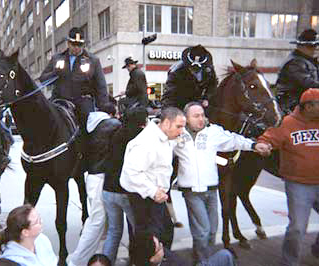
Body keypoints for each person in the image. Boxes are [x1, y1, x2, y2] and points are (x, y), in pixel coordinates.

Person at [172, 102, 270, 263]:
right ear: (186, 119)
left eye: (202, 115)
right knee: (202, 231)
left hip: (211, 191)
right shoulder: (177, 135)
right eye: (196, 116)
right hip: (191, 192)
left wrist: (253, 145)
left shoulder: (213, 132)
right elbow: (161, 149)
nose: (201, 118)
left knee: (211, 231)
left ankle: (207, 259)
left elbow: (233, 140)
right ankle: (203, 261)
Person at [257, 88, 319, 266]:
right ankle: (289, 262)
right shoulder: (288, 123)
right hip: (299, 185)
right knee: (297, 228)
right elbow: (269, 137)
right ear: (308, 106)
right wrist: (263, 144)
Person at [120, 107, 186, 250]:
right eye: (179, 127)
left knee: (166, 233)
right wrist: (153, 192)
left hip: (157, 197)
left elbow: (178, 140)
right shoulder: (147, 141)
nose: (181, 131)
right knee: (152, 242)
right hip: (144, 199)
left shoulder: (166, 135)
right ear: (167, 123)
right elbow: (131, 173)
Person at [69, 108, 121, 266]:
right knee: (96, 222)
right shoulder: (113, 125)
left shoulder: (86, 126)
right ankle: (77, 260)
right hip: (103, 177)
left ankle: (88, 259)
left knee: (98, 221)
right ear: (111, 112)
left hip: (91, 176)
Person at [102, 106, 148, 264]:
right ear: (142, 121)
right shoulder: (140, 136)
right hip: (126, 191)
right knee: (139, 231)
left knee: (114, 232)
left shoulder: (117, 133)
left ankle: (105, 262)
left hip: (108, 190)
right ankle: (138, 260)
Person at [39, 27, 109, 130]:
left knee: (89, 124)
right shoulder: (57, 58)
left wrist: (104, 107)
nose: (77, 48)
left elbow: (101, 85)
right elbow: (43, 79)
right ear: (68, 43)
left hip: (83, 100)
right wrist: (55, 73)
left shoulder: (93, 60)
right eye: (74, 44)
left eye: (79, 45)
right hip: (61, 100)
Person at [161, 45, 218, 110]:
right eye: (192, 68)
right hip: (179, 104)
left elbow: (213, 84)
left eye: (197, 69)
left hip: (199, 103)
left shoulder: (209, 70)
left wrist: (206, 98)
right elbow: (169, 95)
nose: (194, 71)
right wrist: (170, 112)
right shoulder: (176, 72)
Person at [276, 28, 319, 114]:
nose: (314, 49)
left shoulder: (308, 61)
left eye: (315, 46)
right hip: (293, 104)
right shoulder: (295, 63)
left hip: (306, 102)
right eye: (310, 46)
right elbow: (308, 84)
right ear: (300, 46)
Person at [133, 231, 235, 266]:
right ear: (152, 259)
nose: (162, 246)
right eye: (159, 247)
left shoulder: (160, 255)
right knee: (225, 256)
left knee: (224, 255)